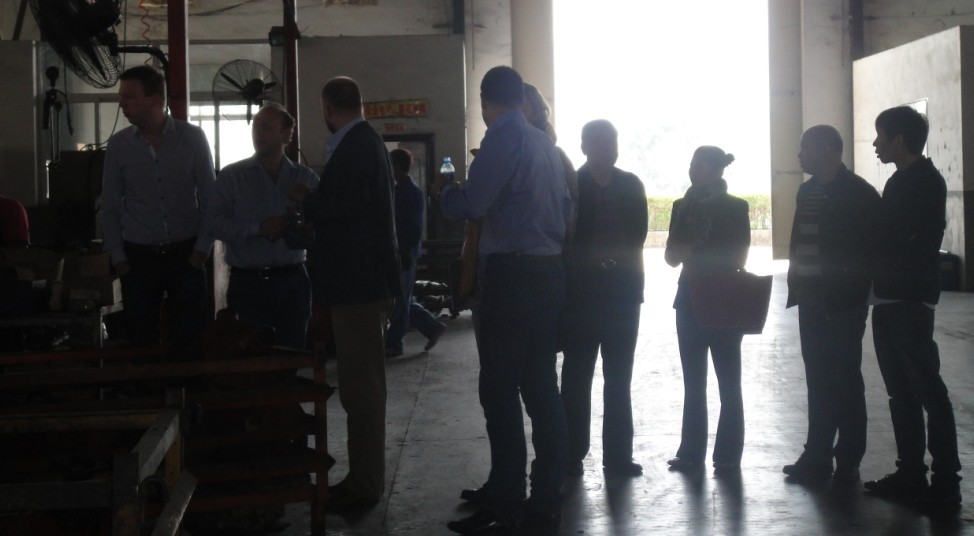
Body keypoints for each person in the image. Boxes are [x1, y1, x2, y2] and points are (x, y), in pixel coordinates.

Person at [435, 66, 572, 536]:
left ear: (485, 102)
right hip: (547, 274)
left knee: (498, 389)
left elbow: (473, 205)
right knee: (541, 388)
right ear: (521, 98)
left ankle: (507, 501)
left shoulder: (503, 138)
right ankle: (544, 499)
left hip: (511, 277)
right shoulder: (544, 144)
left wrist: (446, 194)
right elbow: (564, 210)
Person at [287, 76, 401, 512]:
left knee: (362, 391)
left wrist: (308, 200)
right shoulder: (365, 142)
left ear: (328, 107)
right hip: (362, 282)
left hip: (358, 285)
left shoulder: (355, 146)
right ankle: (361, 478)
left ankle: (365, 485)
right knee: (360, 388)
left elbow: (347, 208)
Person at [864, 106, 962, 513]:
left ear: (899, 140)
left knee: (927, 391)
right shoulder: (900, 180)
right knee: (900, 392)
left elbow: (902, 238)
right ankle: (910, 474)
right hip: (889, 297)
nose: (875, 144)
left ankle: (945, 482)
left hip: (909, 300)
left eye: (880, 137)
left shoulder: (924, 182)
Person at [782, 125, 880, 486]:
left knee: (845, 380)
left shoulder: (859, 193)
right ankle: (817, 455)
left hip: (842, 302)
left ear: (827, 149)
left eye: (805, 148)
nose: (799, 155)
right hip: (809, 298)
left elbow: (870, 250)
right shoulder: (806, 190)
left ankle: (848, 459)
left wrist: (853, 292)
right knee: (818, 378)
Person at [101, 65, 215, 358]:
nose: (122, 104)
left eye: (129, 97)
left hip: (186, 253)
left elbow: (210, 199)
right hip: (138, 257)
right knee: (141, 341)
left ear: (155, 100)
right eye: (121, 97)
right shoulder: (119, 146)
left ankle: (186, 386)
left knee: (190, 339)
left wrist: (200, 252)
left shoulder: (192, 138)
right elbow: (110, 206)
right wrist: (120, 260)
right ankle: (148, 387)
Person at [560, 119, 647, 478]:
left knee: (619, 378)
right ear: (584, 147)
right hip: (582, 296)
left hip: (623, 294)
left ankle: (618, 456)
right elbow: (567, 237)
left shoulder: (631, 184)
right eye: (599, 142)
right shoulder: (573, 185)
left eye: (611, 141)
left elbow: (638, 235)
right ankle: (571, 453)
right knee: (576, 378)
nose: (607, 148)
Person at [664, 145, 750, 473]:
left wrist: (693, 253)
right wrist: (683, 251)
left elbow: (738, 257)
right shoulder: (681, 206)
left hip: (723, 298)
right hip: (689, 300)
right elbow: (671, 258)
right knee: (693, 382)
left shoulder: (736, 207)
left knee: (729, 382)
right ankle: (690, 452)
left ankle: (728, 455)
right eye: (691, 164)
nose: (692, 170)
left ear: (716, 170)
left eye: (698, 165)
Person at [207, 103, 318, 349]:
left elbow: (323, 223)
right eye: (256, 127)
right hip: (248, 283)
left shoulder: (305, 178)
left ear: (286, 134)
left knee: (292, 351)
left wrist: (304, 228)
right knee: (251, 354)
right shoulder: (232, 176)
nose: (258, 133)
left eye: (266, 127)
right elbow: (213, 223)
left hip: (292, 281)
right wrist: (257, 229)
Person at [384, 148, 447, 358]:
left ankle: (394, 342)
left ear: (397, 167)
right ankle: (432, 327)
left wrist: (404, 251)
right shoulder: (399, 190)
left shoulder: (410, 192)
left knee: (401, 299)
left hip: (405, 253)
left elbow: (413, 227)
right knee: (402, 297)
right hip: (399, 251)